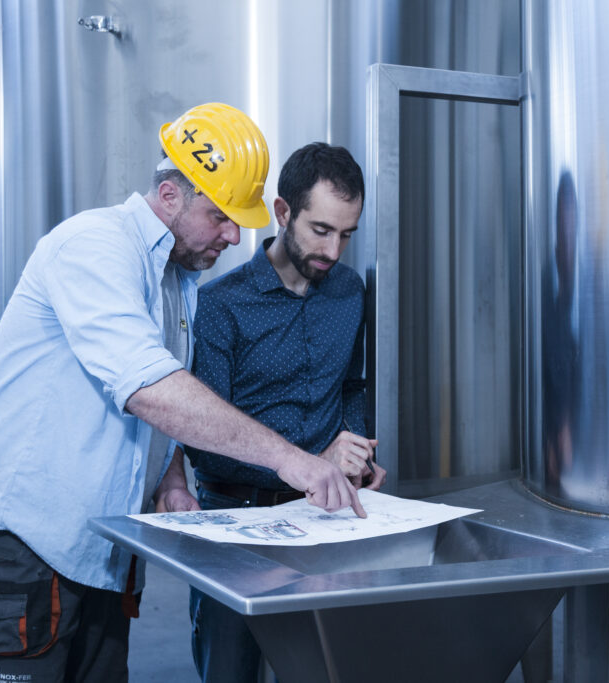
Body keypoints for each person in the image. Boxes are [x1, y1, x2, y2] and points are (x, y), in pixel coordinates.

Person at [0, 104, 366, 683]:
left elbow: (158, 408)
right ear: (169, 196)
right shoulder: (94, 246)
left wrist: (170, 480)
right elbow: (150, 389)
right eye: (219, 216)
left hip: (101, 552)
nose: (234, 236)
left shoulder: (177, 284)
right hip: (23, 545)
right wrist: (297, 462)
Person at [154, 142, 387, 683]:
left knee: (322, 667)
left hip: (326, 522)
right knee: (230, 670)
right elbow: (204, 443)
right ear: (282, 213)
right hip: (235, 522)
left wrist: (354, 450)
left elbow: (352, 383)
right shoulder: (219, 305)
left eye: (347, 234)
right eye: (321, 230)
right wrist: (312, 460)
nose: (334, 250)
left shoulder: (349, 292)